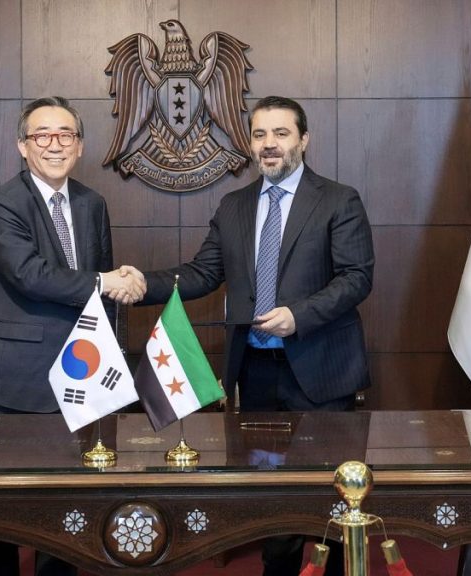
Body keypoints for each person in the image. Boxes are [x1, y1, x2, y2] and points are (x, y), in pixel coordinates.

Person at [131, 96, 374, 576]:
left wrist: (298, 316)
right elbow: (202, 273)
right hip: (256, 373)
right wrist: (140, 283)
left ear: (303, 140)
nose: (269, 144)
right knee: (273, 498)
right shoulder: (235, 205)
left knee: (335, 498)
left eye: (281, 134)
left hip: (321, 370)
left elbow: (356, 278)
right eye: (260, 134)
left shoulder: (338, 199)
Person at [0, 96, 144, 576]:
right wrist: (107, 280)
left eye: (65, 134)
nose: (54, 144)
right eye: (41, 135)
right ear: (22, 146)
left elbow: (102, 296)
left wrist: (113, 353)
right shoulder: (1, 204)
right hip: (17, 382)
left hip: (84, 375)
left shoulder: (92, 203)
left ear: (80, 146)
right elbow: (29, 275)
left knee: (69, 511)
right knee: (1, 514)